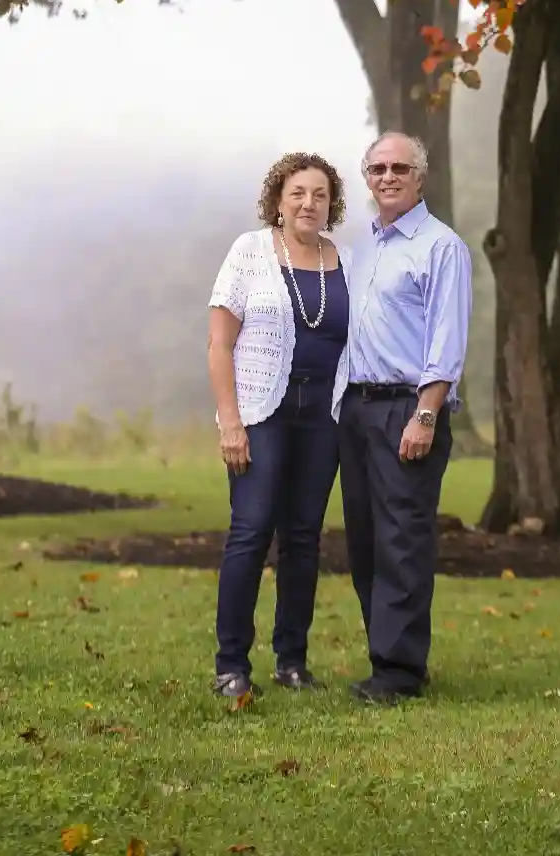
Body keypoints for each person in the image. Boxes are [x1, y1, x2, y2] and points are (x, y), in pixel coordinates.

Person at [206, 151, 351, 705]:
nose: (308, 203)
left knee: (303, 538)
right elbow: (220, 343)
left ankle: (292, 660)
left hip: (324, 419)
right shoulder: (249, 252)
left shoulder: (348, 261)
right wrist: (230, 422)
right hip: (261, 412)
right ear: (278, 199)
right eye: (298, 193)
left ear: (331, 203)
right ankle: (230, 665)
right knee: (251, 530)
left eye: (319, 194)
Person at [339, 130, 473, 704]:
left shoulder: (442, 247)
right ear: (366, 179)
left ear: (420, 177)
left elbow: (447, 338)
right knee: (366, 541)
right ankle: (389, 658)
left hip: (407, 409)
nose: (387, 177)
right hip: (356, 409)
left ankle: (398, 672)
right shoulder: (362, 248)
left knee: (403, 540)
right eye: (377, 169)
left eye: (399, 168)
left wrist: (426, 414)